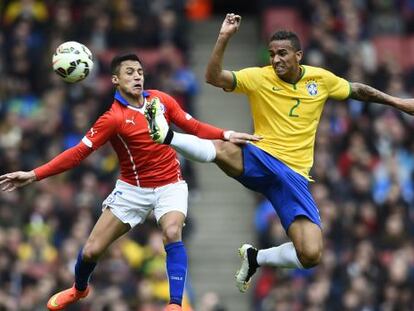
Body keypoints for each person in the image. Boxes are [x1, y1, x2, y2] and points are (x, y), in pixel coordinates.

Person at [145, 13, 414, 293]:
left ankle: (255, 258)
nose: (276, 60)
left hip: (294, 176)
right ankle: (166, 135)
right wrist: (224, 37)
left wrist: (399, 102)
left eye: (282, 54)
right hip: (262, 158)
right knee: (223, 148)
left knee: (310, 254)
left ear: (298, 55)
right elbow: (213, 77)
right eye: (272, 54)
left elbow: (358, 90)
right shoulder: (259, 78)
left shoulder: (320, 80)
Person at [0, 52, 259, 311]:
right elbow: (78, 153)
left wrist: (226, 134)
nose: (137, 76)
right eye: (130, 72)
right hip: (132, 190)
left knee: (171, 232)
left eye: (140, 71)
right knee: (91, 251)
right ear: (115, 79)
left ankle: (175, 304)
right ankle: (79, 289)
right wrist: (34, 174)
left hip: (170, 184)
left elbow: (193, 126)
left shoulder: (161, 100)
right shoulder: (112, 118)